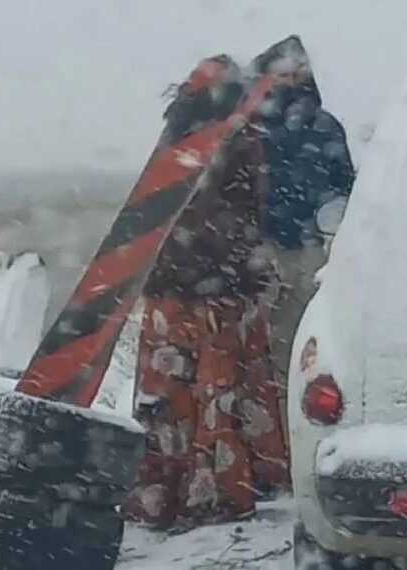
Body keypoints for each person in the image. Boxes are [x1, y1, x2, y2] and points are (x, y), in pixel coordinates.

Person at [123, 97, 290, 530]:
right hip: (223, 288)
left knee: (166, 396)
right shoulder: (242, 139)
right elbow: (253, 206)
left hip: (170, 289)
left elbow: (154, 212)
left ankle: (161, 490)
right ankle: (216, 488)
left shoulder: (174, 142)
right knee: (220, 392)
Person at [252, 46, 356, 385]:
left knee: (305, 331)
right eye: (281, 74)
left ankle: (292, 400)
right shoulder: (249, 128)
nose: (289, 82)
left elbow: (343, 188)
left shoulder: (325, 127)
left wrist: (330, 233)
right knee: (257, 337)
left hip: (310, 246)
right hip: (259, 247)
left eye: (296, 74)